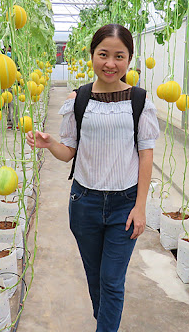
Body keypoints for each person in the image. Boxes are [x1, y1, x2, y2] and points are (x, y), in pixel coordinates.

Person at [26, 24, 160, 331]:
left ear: (129, 60)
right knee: (96, 275)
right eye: (103, 54)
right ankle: (106, 321)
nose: (110, 63)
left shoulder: (139, 102)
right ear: (92, 55)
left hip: (124, 206)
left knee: (112, 281)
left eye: (119, 56)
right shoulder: (79, 100)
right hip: (84, 203)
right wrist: (49, 144)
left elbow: (145, 156)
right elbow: (68, 152)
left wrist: (140, 207)